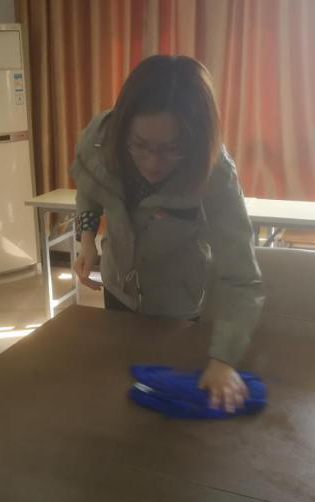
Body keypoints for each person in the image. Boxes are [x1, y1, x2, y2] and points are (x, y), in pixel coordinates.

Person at [70, 54, 264, 413]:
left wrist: (223, 360)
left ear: (195, 139)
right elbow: (89, 188)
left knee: (166, 406)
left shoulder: (215, 173)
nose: (152, 162)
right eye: (140, 145)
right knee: (123, 391)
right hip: (117, 287)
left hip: (176, 303)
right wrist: (86, 241)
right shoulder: (101, 138)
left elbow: (242, 279)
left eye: (171, 149)